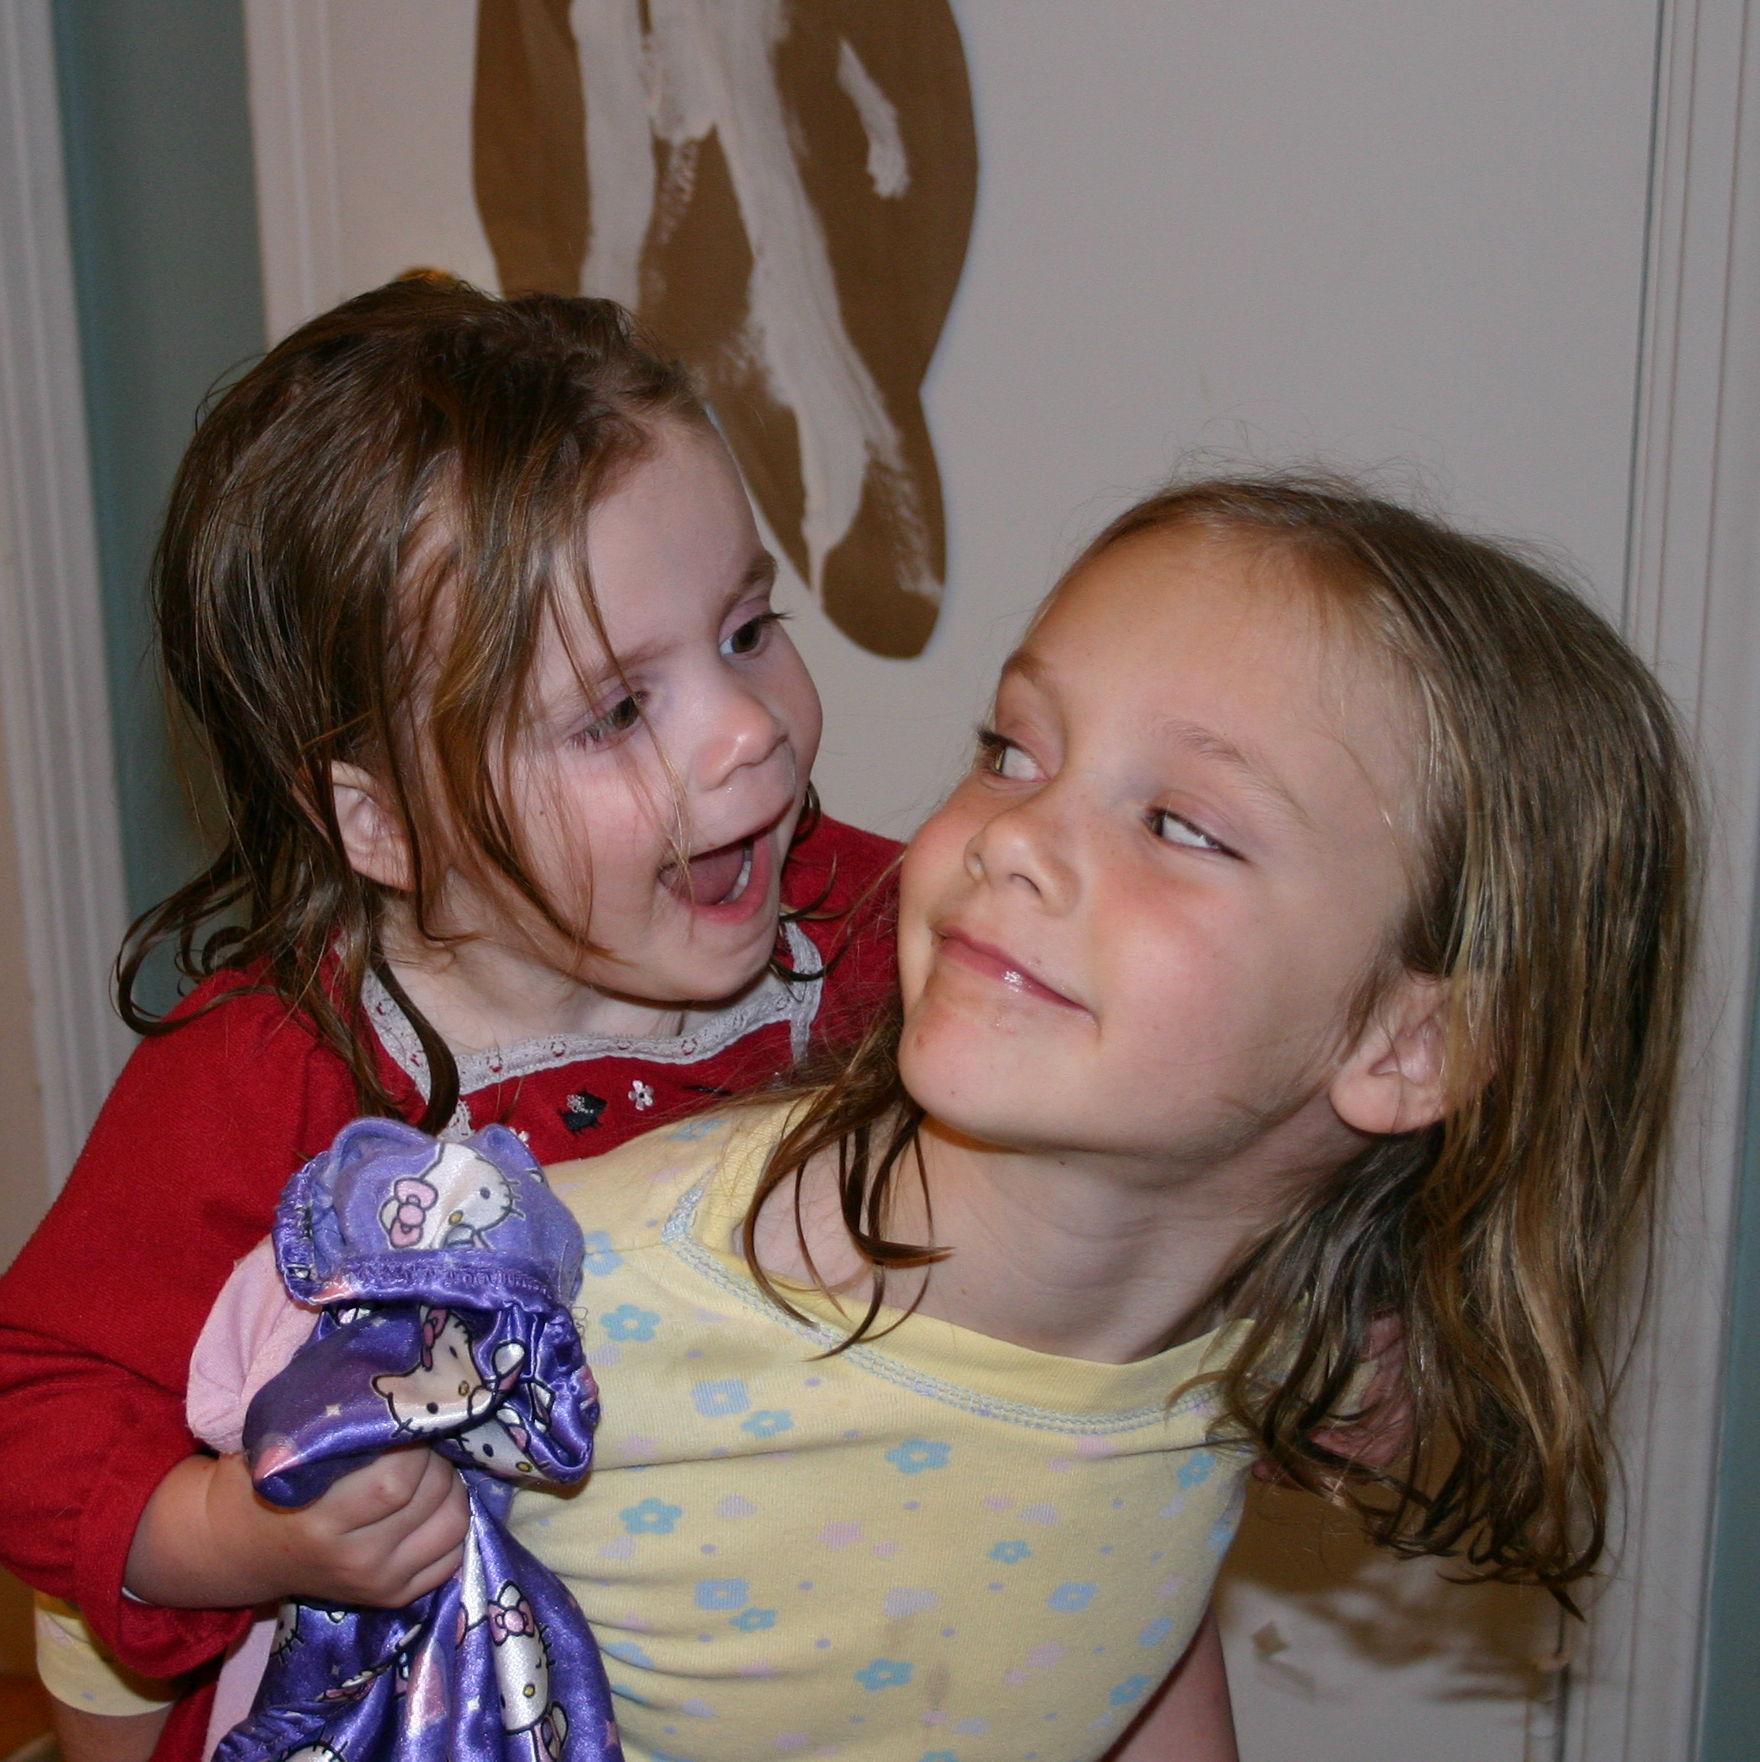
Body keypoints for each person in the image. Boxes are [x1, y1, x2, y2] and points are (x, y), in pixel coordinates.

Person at [477, 474, 1689, 1758]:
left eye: (1177, 824)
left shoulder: (1254, 1358)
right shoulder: (561, 1300)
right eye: (1011, 751)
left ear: (1410, 1043)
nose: (1014, 837)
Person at [0, 275, 898, 1762]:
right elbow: (32, 1397)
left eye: (747, 628)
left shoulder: (864, 931)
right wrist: (242, 1533)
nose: (749, 729)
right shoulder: (282, 1062)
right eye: (617, 711)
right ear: (384, 825)